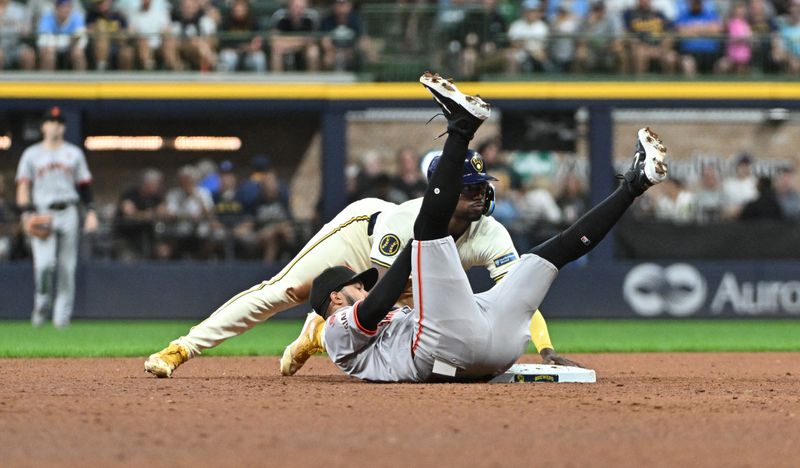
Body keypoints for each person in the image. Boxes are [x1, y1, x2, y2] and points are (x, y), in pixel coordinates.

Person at [143, 77, 574, 378]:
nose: (481, 194)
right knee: (286, 291)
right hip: (362, 234)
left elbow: (520, 297)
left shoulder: (490, 232)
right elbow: (382, 293)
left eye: (483, 185)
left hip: (407, 264)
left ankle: (317, 334)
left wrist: (546, 348)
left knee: (404, 313)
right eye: (471, 187)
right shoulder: (406, 220)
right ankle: (183, 347)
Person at [317, 73, 668, 383]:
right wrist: (417, 246)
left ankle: (633, 185)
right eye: (355, 286)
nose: (362, 288)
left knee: (550, 254)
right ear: (335, 297)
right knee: (427, 234)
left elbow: (386, 302)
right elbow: (373, 307)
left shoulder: (486, 230)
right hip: (440, 352)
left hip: (496, 348)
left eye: (361, 285)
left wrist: (543, 347)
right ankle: (460, 128)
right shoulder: (335, 332)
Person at [15, 106, 99, 328]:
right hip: (42, 212)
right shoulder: (31, 154)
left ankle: (61, 321)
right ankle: (41, 307)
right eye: (51, 122)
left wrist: (90, 211)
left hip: (69, 211)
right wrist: (25, 213)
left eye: (59, 122)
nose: (55, 125)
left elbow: (84, 186)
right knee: (44, 266)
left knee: (66, 268)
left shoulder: (74, 153)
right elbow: (23, 186)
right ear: (43, 126)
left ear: (64, 127)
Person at [37, 0, 87, 71]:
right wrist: (68, 40)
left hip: (70, 48)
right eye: (62, 7)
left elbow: (80, 37)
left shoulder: (77, 17)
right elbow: (43, 39)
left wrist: (57, 40)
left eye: (68, 7)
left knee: (78, 53)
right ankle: (46, 80)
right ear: (56, 8)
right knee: (48, 52)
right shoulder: (47, 17)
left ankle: (81, 80)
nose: (65, 10)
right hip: (53, 48)